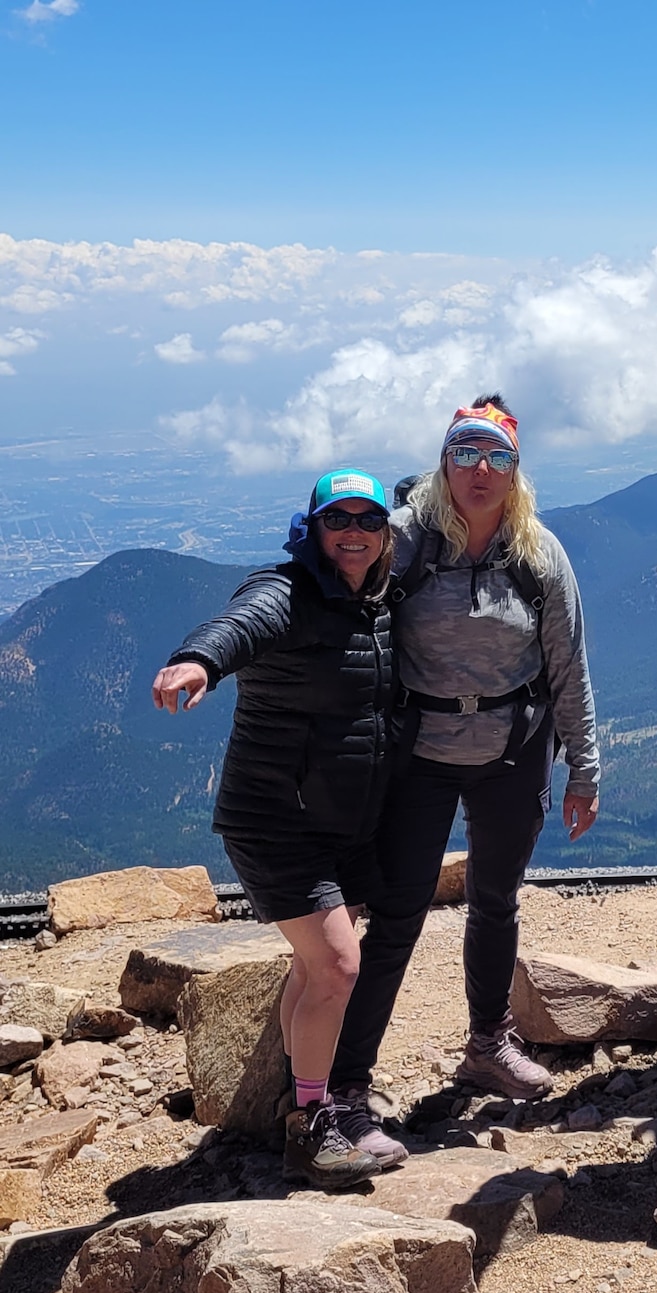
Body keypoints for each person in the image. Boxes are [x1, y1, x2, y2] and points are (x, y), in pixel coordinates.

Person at [328, 395, 602, 1163]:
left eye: (498, 458)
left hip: (514, 750)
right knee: (399, 913)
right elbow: (337, 593)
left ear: (518, 472)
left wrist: (584, 768)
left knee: (495, 899)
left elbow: (569, 666)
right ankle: (345, 1085)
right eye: (466, 454)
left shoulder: (539, 554)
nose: (481, 471)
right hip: (420, 750)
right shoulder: (409, 539)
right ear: (444, 463)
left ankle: (488, 1042)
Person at [152, 469, 399, 1189]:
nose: (354, 533)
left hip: (343, 823)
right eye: (337, 519)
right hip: (277, 821)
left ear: (387, 534)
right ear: (312, 528)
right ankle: (315, 1130)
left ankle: (301, 1109)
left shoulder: (377, 600)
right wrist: (198, 659)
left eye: (370, 521)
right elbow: (241, 624)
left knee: (313, 966)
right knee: (337, 967)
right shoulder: (289, 591)